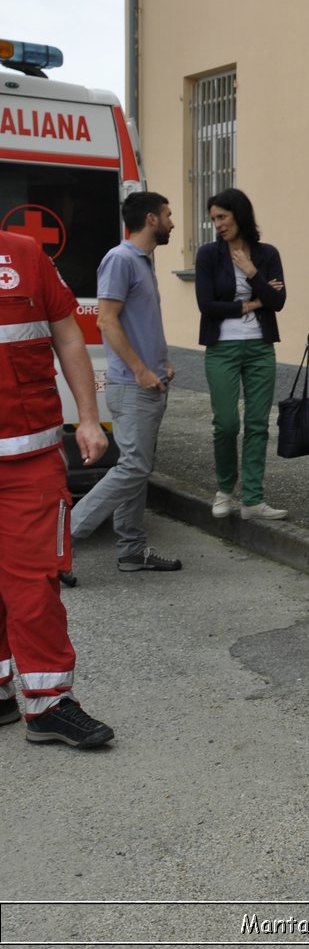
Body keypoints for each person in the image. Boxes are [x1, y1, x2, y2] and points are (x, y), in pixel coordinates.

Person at [0, 229, 114, 747]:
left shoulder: (26, 254)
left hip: (28, 458)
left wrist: (88, 419)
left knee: (33, 584)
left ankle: (48, 703)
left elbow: (69, 335)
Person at [69, 191, 181, 573]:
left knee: (139, 467)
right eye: (167, 215)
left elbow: (140, 322)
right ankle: (63, 539)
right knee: (132, 467)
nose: (172, 222)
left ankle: (132, 550)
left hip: (149, 385)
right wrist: (140, 370)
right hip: (133, 386)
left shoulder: (143, 261)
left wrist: (161, 361)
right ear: (151, 219)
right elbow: (106, 321)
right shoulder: (120, 259)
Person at [194, 187, 288, 520]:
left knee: (259, 424)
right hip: (222, 348)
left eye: (222, 216)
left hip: (261, 347)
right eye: (214, 219)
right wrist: (251, 302)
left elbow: (278, 302)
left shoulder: (266, 254)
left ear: (239, 214)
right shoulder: (208, 255)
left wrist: (251, 271)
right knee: (226, 423)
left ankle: (252, 499)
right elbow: (206, 305)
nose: (218, 224)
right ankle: (224, 490)